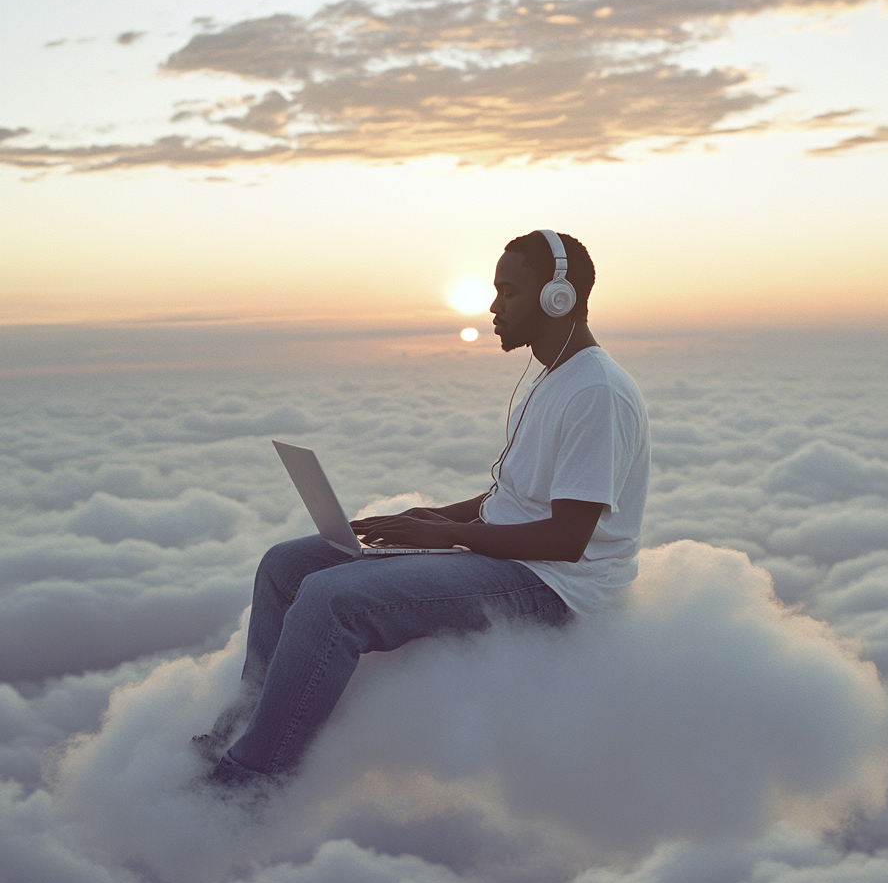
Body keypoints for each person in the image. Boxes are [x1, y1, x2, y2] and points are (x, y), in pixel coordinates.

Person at [196, 230, 650, 785]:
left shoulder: (595, 391)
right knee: (286, 566)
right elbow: (515, 498)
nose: (494, 306)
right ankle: (240, 724)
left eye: (508, 292)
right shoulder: (553, 380)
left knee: (329, 600)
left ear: (559, 296)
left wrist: (447, 538)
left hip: (558, 586)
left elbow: (566, 539)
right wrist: (438, 520)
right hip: (510, 558)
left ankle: (251, 779)